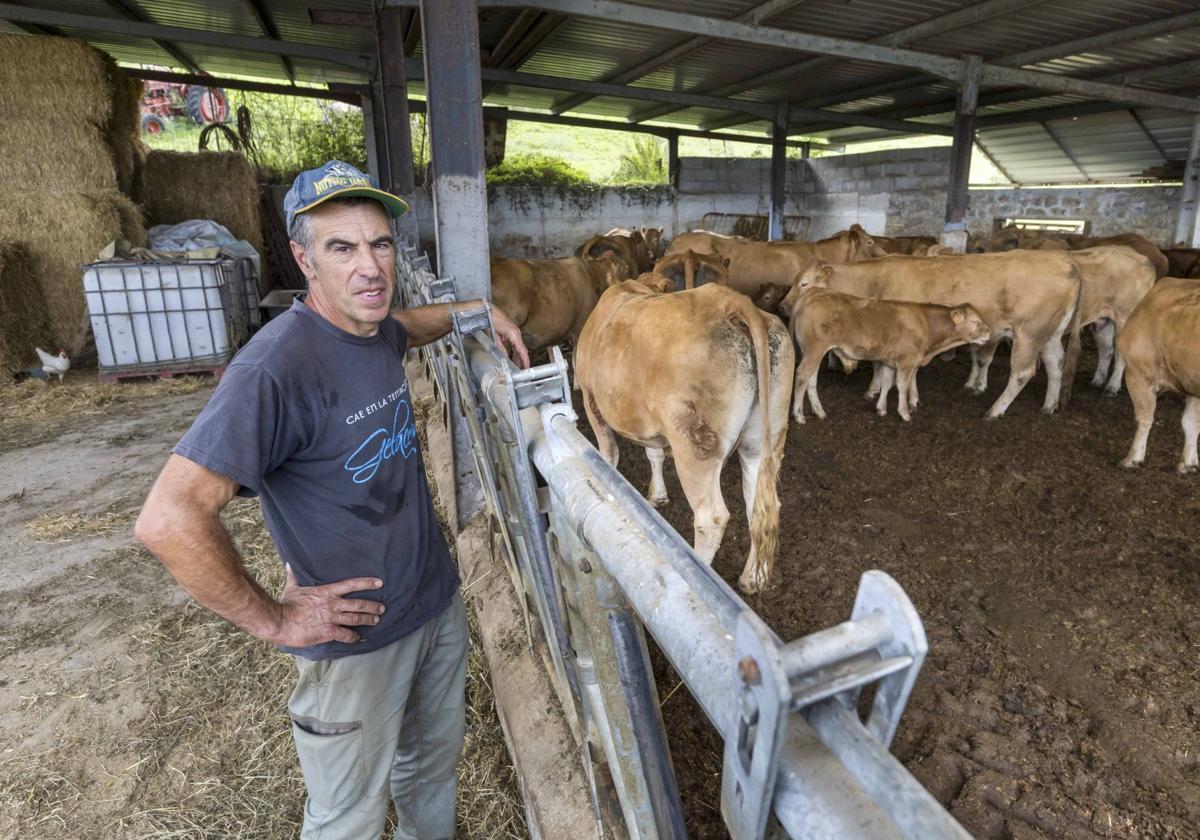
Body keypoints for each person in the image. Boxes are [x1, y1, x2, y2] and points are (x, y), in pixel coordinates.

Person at [135, 159, 530, 839]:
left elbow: (410, 324)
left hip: (433, 609)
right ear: (303, 259)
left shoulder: (372, 333)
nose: (370, 266)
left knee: (430, 773)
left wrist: (472, 314)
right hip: (356, 647)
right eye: (342, 248)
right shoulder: (275, 368)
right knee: (348, 816)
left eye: (379, 243)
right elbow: (168, 520)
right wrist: (275, 621)